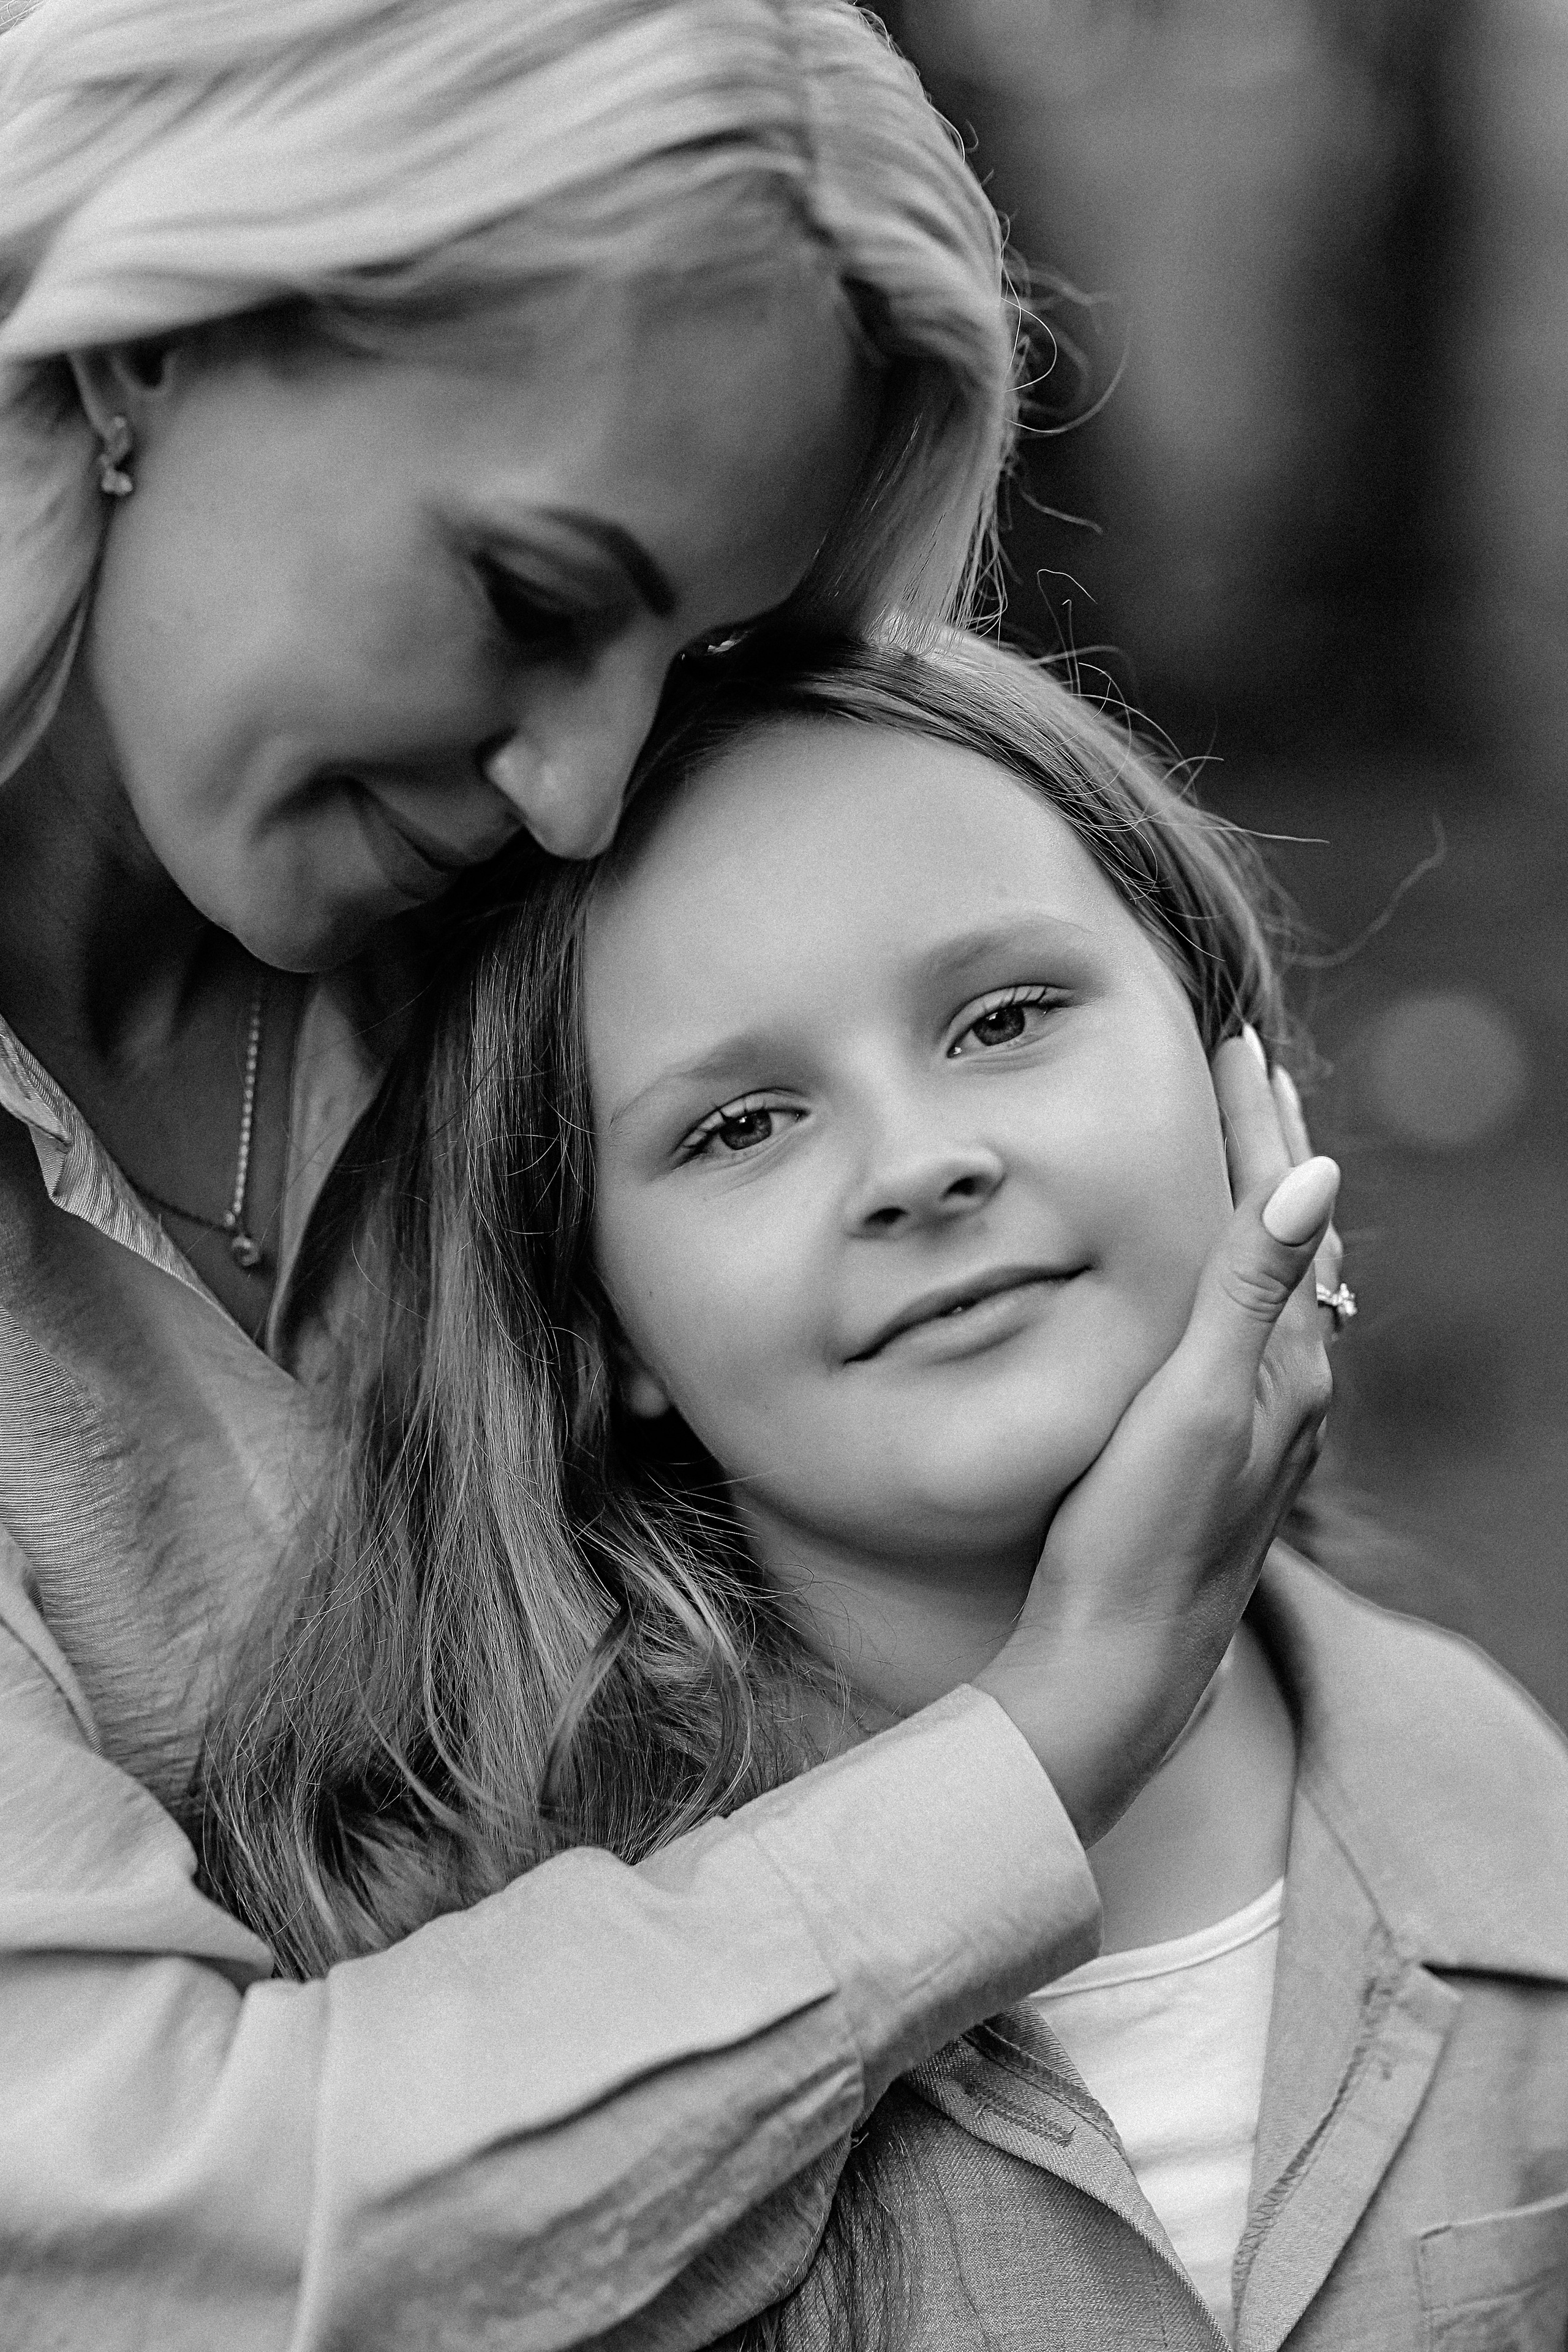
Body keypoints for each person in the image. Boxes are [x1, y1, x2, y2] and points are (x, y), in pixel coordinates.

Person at [0, 1, 1332, 2343]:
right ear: (146, 355)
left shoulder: (591, 967)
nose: (589, 794)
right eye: (529, 597)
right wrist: (1057, 1730)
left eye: (695, 646)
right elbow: (154, 2239)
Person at [225, 631, 1568, 2348]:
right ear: (600, 1311)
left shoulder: (1498, 1803)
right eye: (740, 1126)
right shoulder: (461, 1944)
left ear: (1238, 1079)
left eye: (1005, 1018)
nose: (920, 1164)